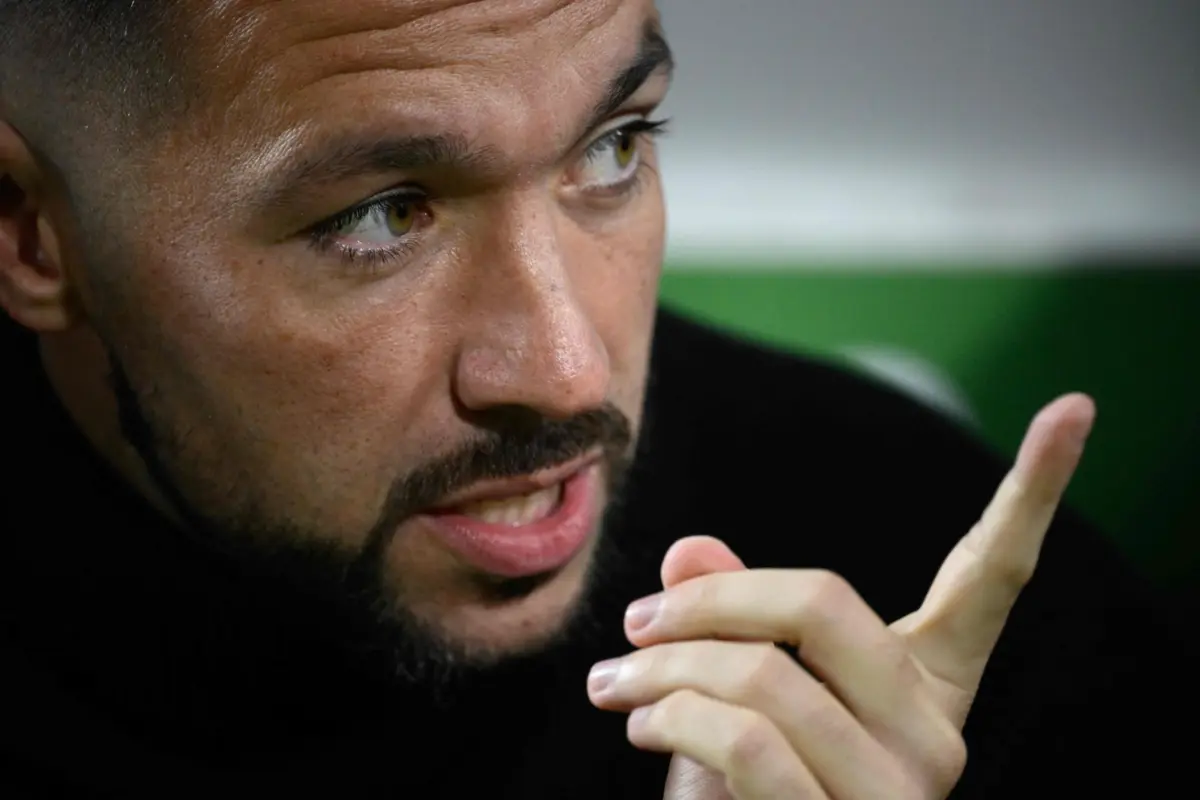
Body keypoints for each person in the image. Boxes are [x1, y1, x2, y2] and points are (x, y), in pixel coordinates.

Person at [0, 2, 1188, 797]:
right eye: (380, 215)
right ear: (31, 236)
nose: (571, 373)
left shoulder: (911, 577)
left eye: (613, 148)